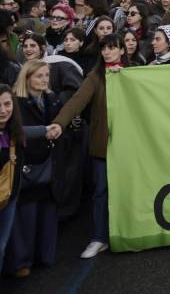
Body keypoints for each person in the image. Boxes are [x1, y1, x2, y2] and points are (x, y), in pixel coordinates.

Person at [50, 32, 127, 258]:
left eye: (112, 47)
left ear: (122, 50)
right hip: (103, 146)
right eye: (104, 48)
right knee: (100, 192)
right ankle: (99, 238)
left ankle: (128, 232)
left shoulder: (134, 73)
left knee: (129, 190)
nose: (107, 52)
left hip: (130, 146)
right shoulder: (95, 77)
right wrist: (59, 123)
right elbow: (77, 101)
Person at [5, 60, 62, 277]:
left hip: (49, 164)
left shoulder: (51, 99)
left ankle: (44, 256)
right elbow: (16, 131)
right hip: (26, 166)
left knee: (47, 213)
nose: (44, 80)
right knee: (25, 218)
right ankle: (21, 262)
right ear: (27, 78)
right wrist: (45, 130)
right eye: (39, 76)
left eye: (46, 75)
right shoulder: (15, 103)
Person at [0, 83, 26, 266]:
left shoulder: (15, 132)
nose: (3, 111)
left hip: (9, 197)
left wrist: (49, 129)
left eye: (7, 104)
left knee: (1, 247)